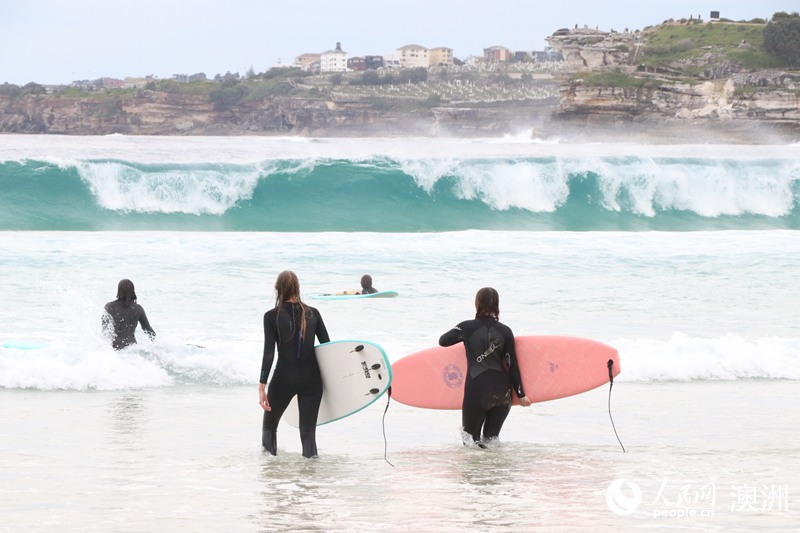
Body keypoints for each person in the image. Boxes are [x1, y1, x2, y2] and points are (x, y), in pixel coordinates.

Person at [439, 287, 531, 447]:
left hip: (477, 390)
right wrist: (521, 394)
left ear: (477, 304)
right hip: (502, 393)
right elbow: (512, 364)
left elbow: (443, 341)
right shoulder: (506, 331)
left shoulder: (466, 327)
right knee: (492, 441)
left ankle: (476, 472)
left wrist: (463, 335)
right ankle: (493, 471)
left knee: (470, 443)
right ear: (497, 305)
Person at [259, 270, 330, 458]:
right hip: (312, 381)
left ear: (277, 289)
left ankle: (268, 471)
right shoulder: (313, 313)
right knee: (308, 434)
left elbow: (269, 354)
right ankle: (310, 478)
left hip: (284, 379)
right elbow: (328, 348)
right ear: (298, 289)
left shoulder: (271, 316)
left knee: (269, 427)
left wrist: (262, 387)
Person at [102, 279, 156, 350]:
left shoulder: (109, 307)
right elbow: (147, 329)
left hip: (113, 348)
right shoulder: (138, 308)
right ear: (132, 291)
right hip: (131, 348)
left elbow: (105, 329)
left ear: (119, 290)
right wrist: (155, 344)